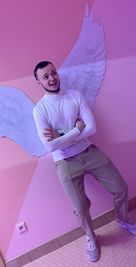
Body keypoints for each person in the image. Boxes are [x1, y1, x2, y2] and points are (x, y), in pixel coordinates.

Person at [33, 61, 136, 262]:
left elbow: (92, 129)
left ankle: (122, 219)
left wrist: (60, 135)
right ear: (39, 82)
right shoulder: (40, 110)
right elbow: (51, 147)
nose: (52, 78)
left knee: (121, 188)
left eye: (53, 73)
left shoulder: (75, 96)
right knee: (80, 208)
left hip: (89, 151)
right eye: (45, 76)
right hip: (64, 162)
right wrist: (76, 129)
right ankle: (91, 237)